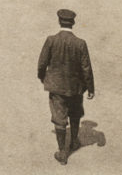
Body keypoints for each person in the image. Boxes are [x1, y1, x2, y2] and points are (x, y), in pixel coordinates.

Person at [37, 9, 95, 165]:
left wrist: (43, 78)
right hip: (75, 89)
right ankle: (74, 141)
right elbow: (86, 68)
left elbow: (42, 63)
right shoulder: (80, 43)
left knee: (59, 119)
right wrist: (90, 88)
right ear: (73, 23)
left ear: (59, 22)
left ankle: (63, 152)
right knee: (75, 115)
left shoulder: (51, 40)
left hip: (56, 88)